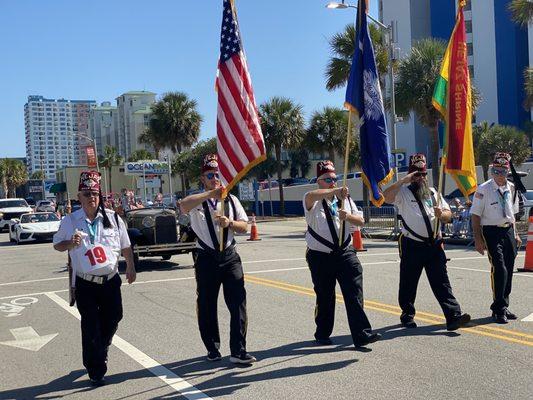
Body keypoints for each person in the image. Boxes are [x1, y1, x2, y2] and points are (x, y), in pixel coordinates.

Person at [53, 171, 136, 386]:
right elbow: (57, 244)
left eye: (95, 193)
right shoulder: (71, 221)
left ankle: (103, 345)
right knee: (90, 326)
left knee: (114, 317)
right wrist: (70, 243)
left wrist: (131, 267)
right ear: (79, 196)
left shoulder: (113, 218)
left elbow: (126, 245)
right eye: (87, 193)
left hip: (110, 280)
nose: (92, 197)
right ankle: (96, 369)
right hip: (85, 282)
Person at [180, 154, 256, 364]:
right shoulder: (198, 201)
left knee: (238, 302)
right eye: (210, 175)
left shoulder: (232, 199)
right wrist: (210, 194)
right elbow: (183, 206)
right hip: (206, 258)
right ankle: (212, 348)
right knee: (206, 304)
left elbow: (244, 226)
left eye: (218, 175)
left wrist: (229, 223)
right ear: (203, 178)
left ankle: (238, 350)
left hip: (230, 256)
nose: (215, 178)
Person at [383, 154, 470, 330]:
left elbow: (448, 216)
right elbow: (385, 197)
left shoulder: (433, 192)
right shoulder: (403, 193)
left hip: (434, 245)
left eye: (423, 174)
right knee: (409, 281)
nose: (420, 178)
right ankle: (407, 314)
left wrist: (442, 214)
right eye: (416, 174)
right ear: (410, 175)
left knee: (442, 282)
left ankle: (453, 316)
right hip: (412, 244)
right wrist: (403, 180)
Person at [303, 160, 381, 348]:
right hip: (320, 256)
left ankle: (361, 334)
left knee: (354, 293)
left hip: (345, 253)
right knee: (325, 297)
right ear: (319, 181)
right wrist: (333, 192)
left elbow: (360, 221)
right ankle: (322, 332)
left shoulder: (345, 199)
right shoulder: (312, 199)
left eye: (334, 179)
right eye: (328, 179)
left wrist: (348, 216)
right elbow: (312, 196)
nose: (333, 182)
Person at [471, 152, 521, 324]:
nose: (500, 175)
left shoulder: (511, 187)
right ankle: (498, 309)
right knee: (499, 268)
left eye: (504, 171)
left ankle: (504, 305)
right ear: (492, 170)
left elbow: (512, 213)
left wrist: (514, 234)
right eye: (497, 171)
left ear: (508, 171)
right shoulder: (483, 189)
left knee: (509, 268)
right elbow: (475, 215)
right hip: (491, 232)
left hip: (508, 231)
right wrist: (478, 239)